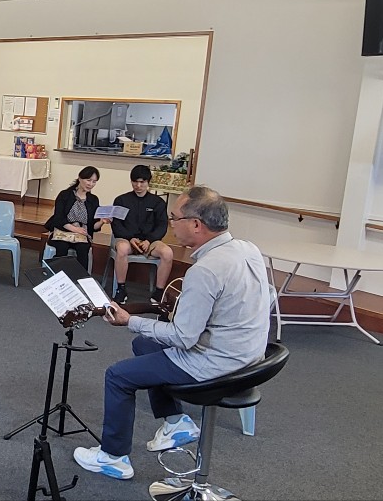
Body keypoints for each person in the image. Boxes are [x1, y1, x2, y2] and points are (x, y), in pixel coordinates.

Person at [73, 185, 270, 481]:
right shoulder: (247, 248)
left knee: (118, 376)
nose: (171, 224)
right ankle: (176, 422)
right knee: (144, 345)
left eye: (175, 217)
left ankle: (113, 457)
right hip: (250, 357)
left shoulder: (206, 270)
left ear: (196, 224)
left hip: (217, 364)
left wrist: (129, 320)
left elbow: (183, 338)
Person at [109, 165, 174, 304]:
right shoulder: (121, 200)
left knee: (167, 253)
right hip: (127, 240)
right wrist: (130, 238)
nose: (138, 186)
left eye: (142, 182)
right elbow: (116, 225)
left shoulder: (158, 202)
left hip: (150, 242)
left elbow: (162, 226)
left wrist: (149, 240)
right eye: (135, 182)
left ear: (148, 182)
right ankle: (121, 289)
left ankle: (159, 292)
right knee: (122, 249)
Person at [44, 166, 111, 271]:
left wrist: (102, 221)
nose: (91, 184)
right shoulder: (65, 195)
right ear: (80, 178)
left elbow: (93, 226)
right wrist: (75, 229)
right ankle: (57, 276)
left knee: (83, 248)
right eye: (88, 180)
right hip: (62, 231)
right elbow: (58, 218)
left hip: (82, 235)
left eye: (94, 182)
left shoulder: (93, 200)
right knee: (62, 247)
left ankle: (80, 277)